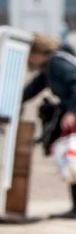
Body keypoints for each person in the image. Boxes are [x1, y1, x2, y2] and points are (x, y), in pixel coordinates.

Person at [23, 33, 76, 217]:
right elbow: (34, 88)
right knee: (71, 161)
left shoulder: (57, 63)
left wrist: (72, 111)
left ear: (37, 52)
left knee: (72, 159)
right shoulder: (50, 67)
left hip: (72, 114)